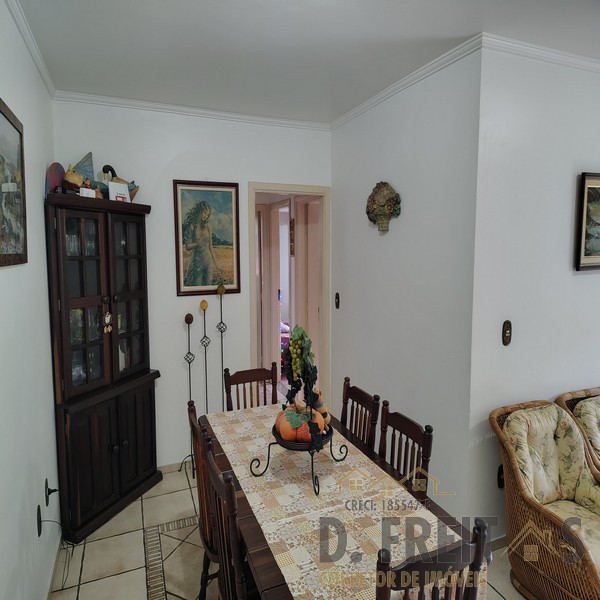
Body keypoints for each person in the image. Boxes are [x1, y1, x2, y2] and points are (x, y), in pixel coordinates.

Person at [183, 200, 222, 286]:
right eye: (204, 212)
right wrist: (196, 244)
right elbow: (187, 247)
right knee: (197, 286)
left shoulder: (208, 227)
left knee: (208, 286)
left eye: (207, 214)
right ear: (199, 210)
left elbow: (210, 247)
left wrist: (216, 264)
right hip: (197, 262)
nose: (205, 216)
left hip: (208, 261)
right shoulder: (192, 226)